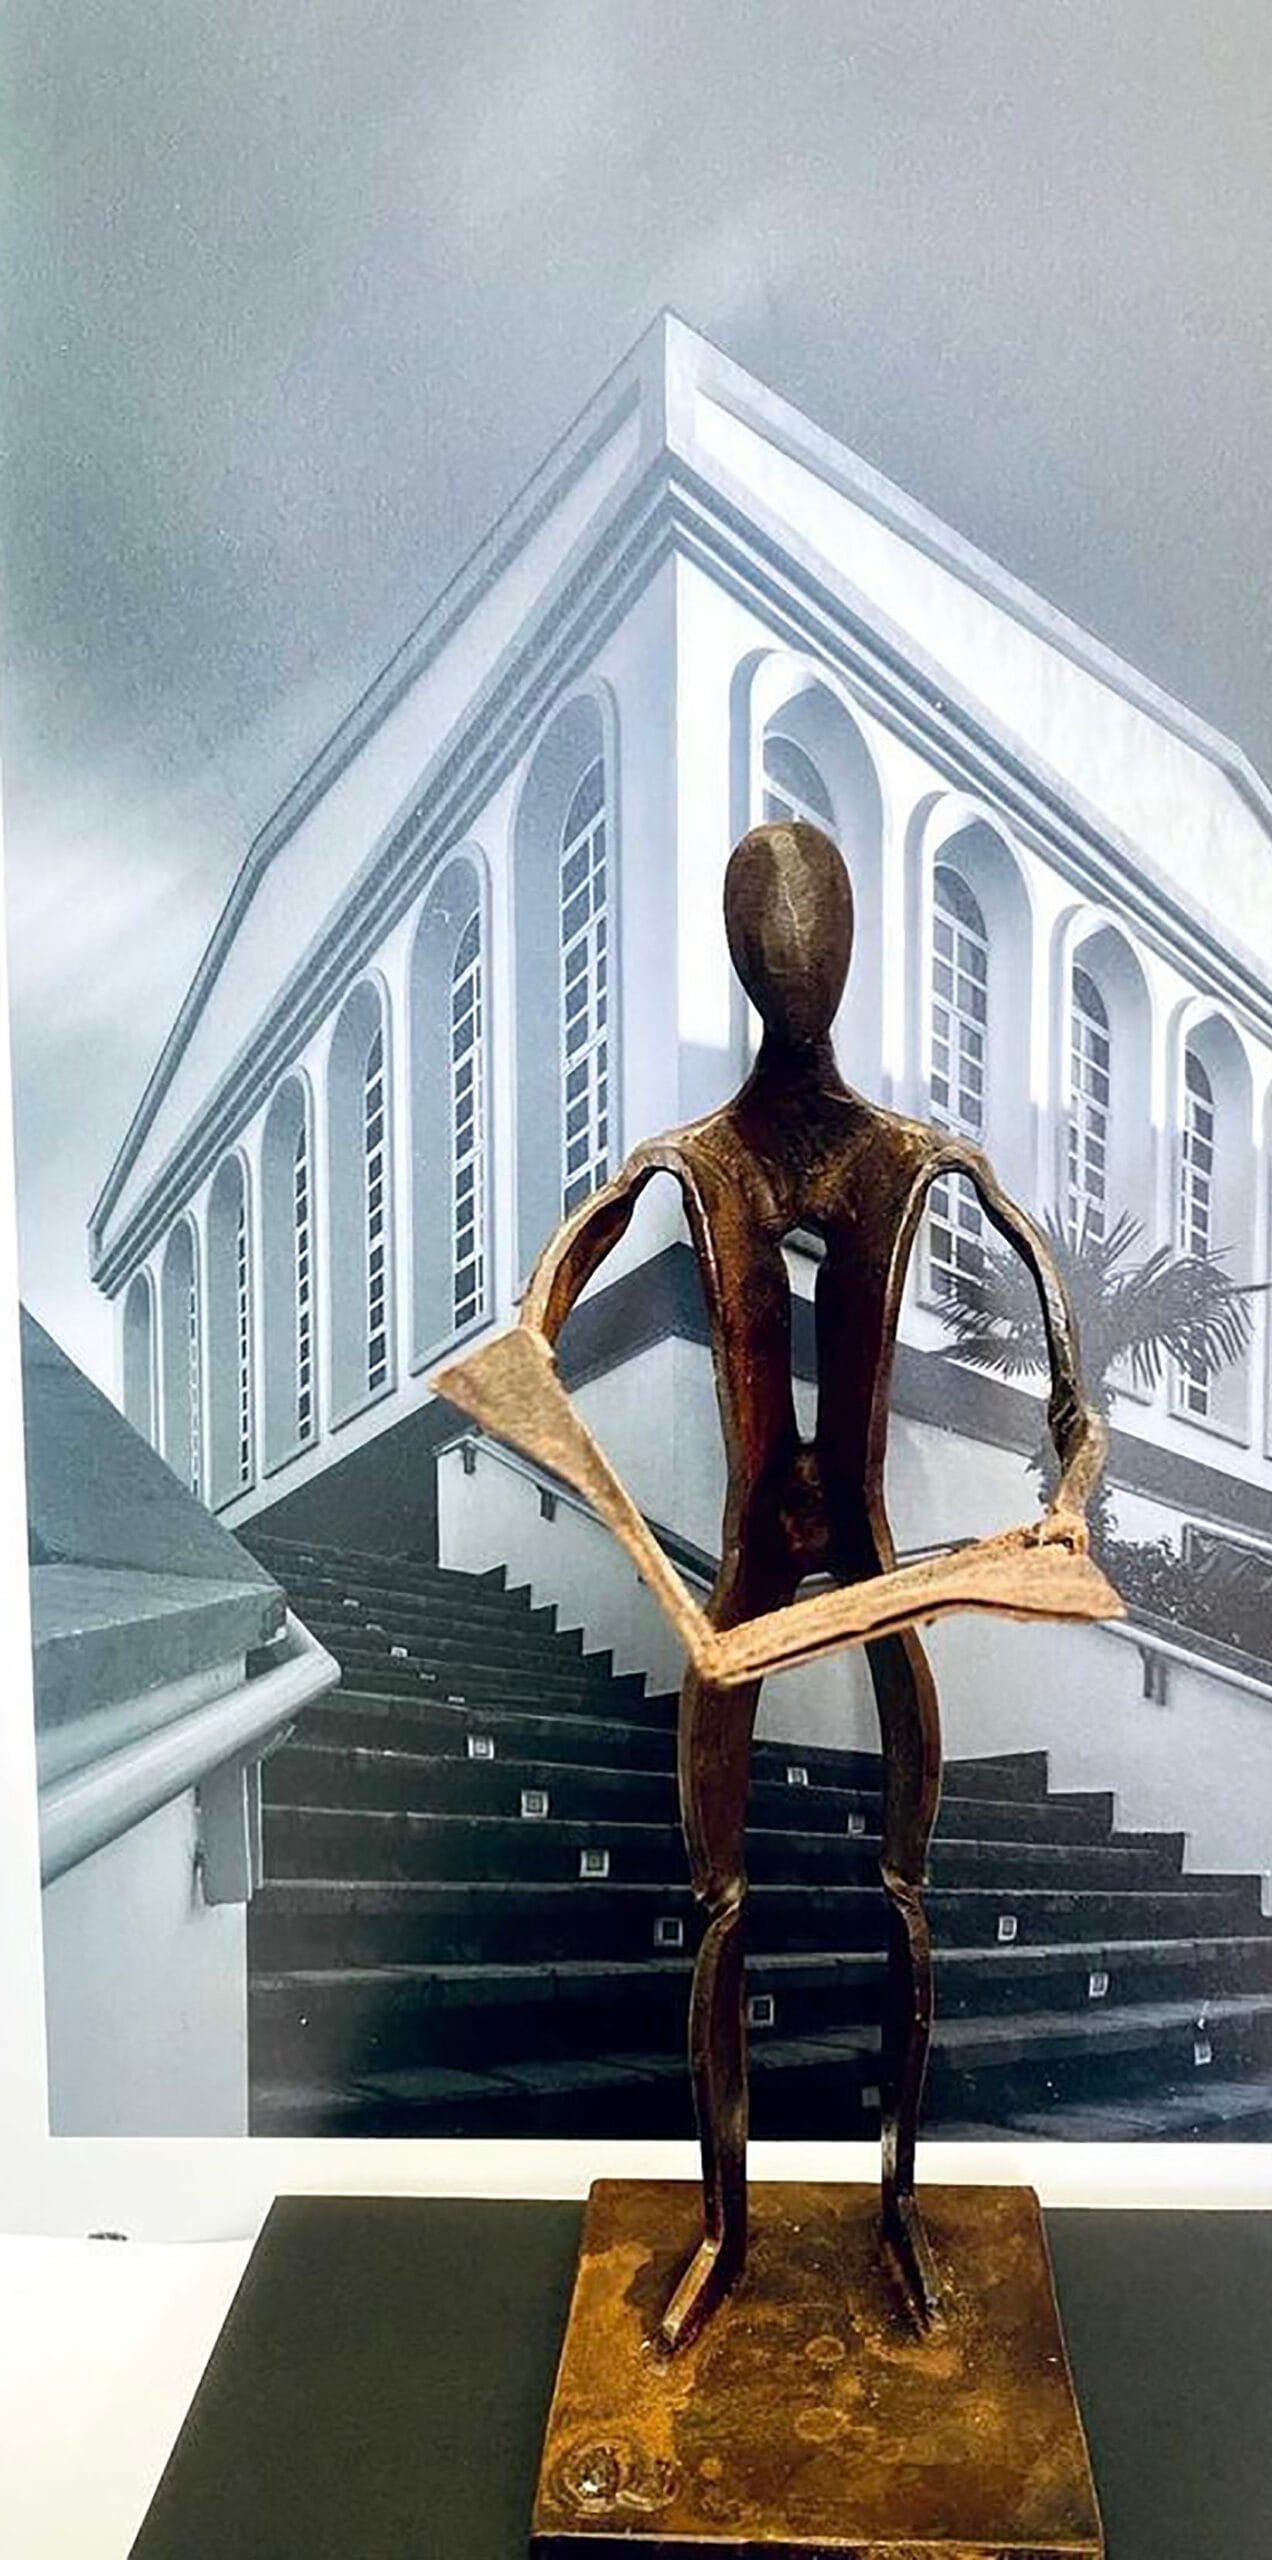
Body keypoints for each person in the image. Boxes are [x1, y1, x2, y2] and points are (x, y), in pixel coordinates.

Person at [440, 819, 1104, 2351]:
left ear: (849, 960)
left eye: (818, 951)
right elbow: (539, 1316)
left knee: (905, 1886)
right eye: (775, 953)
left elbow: (1072, 1373)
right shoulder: (687, 1164)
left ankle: (896, 2212)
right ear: (748, 968)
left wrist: (1068, 1495)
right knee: (719, 1896)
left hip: (871, 1558)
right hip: (744, 1575)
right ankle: (727, 2231)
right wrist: (541, 1396)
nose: (799, 975)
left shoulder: (919, 1162)